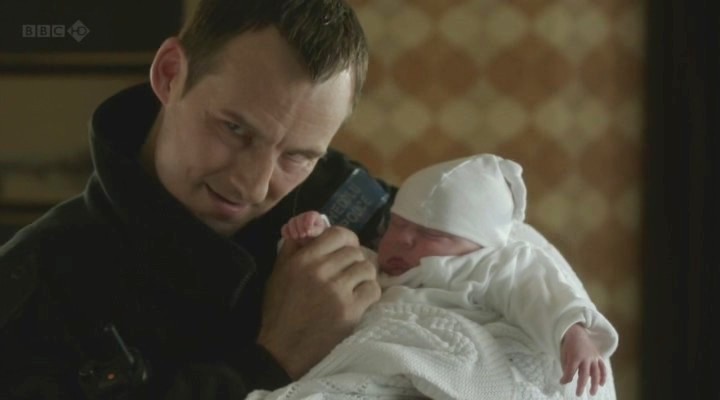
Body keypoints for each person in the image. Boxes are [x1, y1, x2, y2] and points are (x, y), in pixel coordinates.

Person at [0, 1, 396, 399]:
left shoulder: (343, 194)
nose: (254, 187)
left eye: (297, 156)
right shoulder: (31, 289)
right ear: (170, 74)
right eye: (235, 129)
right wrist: (274, 360)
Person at [255, 154, 619, 399]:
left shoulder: (491, 266)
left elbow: (538, 291)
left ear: (477, 246)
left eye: (430, 235)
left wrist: (572, 332)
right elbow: (341, 266)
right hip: (375, 356)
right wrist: (316, 234)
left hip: (449, 360)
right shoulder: (382, 266)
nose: (403, 241)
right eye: (397, 225)